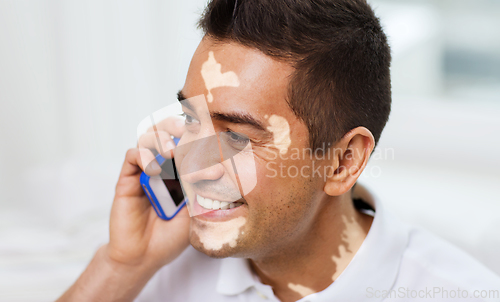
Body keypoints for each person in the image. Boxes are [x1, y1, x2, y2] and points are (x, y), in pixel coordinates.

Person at [57, 0, 500, 301]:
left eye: (238, 137)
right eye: (192, 119)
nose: (191, 167)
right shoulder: (163, 261)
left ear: (344, 161)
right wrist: (120, 265)